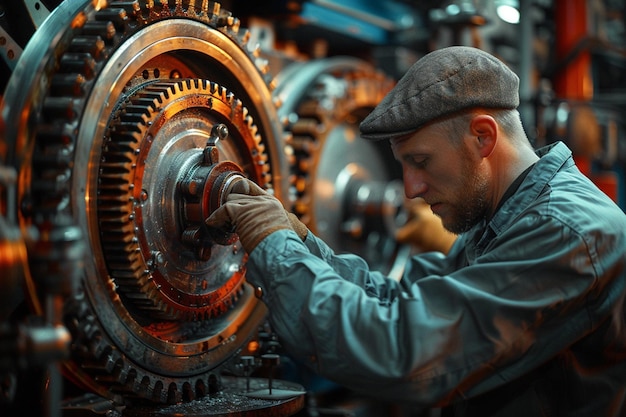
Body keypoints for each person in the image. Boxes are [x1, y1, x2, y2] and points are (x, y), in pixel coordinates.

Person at [207, 46, 626, 416]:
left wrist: (275, 247)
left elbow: (407, 352)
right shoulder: (510, 217)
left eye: (421, 161)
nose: (410, 189)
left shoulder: (565, 230)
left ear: (483, 136)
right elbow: (402, 300)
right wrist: (298, 242)